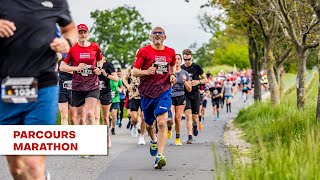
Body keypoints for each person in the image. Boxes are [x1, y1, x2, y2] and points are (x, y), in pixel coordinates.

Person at [0, 0, 77, 179]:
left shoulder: (57, 2)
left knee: (33, 164)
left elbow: (69, 29)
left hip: (43, 85)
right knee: (17, 167)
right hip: (7, 86)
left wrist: (66, 42)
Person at [132, 26, 176, 169]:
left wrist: (173, 75)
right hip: (146, 93)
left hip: (163, 91)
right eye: (155, 34)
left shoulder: (171, 52)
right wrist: (146, 72)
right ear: (151, 36)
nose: (157, 36)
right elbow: (134, 71)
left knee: (162, 123)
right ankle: (153, 140)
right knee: (149, 124)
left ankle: (160, 155)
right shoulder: (144, 51)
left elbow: (172, 66)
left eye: (160, 34)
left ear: (165, 36)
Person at [60, 24, 103, 125]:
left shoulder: (94, 47)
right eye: (80, 32)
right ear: (77, 34)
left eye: (84, 32)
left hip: (93, 85)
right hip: (78, 86)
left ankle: (92, 138)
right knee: (80, 118)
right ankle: (82, 138)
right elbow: (62, 67)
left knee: (89, 114)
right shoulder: (72, 49)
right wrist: (76, 68)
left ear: (87, 34)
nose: (82, 34)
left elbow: (100, 59)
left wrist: (99, 69)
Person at [181, 49, 208, 144]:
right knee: (188, 115)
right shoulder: (181, 68)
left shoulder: (197, 67)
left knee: (194, 118)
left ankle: (195, 125)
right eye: (185, 59)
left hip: (195, 94)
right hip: (185, 94)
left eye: (189, 59)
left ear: (191, 57)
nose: (187, 61)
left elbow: (205, 79)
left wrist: (198, 81)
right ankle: (189, 136)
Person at [95, 56, 118, 147]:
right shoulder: (92, 65)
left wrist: (106, 75)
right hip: (94, 92)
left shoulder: (108, 65)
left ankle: (107, 137)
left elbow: (116, 78)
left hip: (105, 93)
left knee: (105, 117)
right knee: (96, 116)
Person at [55, 25, 76, 125]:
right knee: (64, 115)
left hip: (74, 86)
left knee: (73, 117)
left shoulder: (75, 54)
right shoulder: (59, 54)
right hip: (61, 86)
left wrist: (67, 69)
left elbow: (79, 70)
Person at [170, 54, 192, 146]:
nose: (177, 60)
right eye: (175, 59)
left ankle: (178, 138)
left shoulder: (185, 73)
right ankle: (169, 128)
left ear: (181, 61)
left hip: (181, 96)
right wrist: (172, 82)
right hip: (171, 96)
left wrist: (184, 81)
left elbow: (189, 89)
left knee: (178, 118)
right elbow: (165, 87)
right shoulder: (170, 72)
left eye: (179, 59)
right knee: (171, 117)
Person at [123, 65, 146, 144]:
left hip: (145, 95)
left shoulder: (146, 67)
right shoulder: (131, 67)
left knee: (144, 117)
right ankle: (135, 125)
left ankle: (141, 136)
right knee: (134, 118)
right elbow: (124, 78)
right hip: (133, 95)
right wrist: (127, 85)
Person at [109, 68, 123, 135]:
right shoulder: (107, 78)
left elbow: (121, 87)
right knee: (107, 115)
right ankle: (108, 121)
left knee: (114, 114)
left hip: (115, 98)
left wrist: (119, 90)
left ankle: (113, 128)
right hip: (107, 98)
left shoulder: (118, 79)